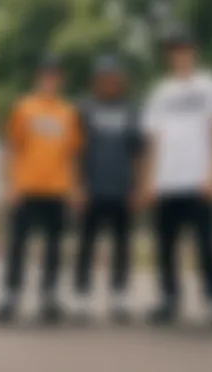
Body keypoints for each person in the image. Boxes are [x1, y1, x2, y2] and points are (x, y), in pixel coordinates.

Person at [142, 29, 212, 328]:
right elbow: (153, 139)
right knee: (165, 245)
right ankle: (169, 299)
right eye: (175, 50)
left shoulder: (209, 86)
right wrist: (149, 180)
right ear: (169, 56)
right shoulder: (160, 91)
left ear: (194, 52)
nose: (180, 55)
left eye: (185, 49)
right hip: (167, 181)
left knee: (206, 243)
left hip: (199, 179)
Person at [0, 55, 82, 324]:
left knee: (54, 246)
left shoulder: (68, 112)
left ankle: (49, 296)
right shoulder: (24, 108)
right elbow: (13, 148)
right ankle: (11, 295)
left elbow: (72, 154)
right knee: (18, 244)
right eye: (45, 75)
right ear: (38, 78)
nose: (49, 80)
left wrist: (75, 188)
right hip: (26, 188)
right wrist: (10, 185)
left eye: (54, 75)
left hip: (57, 189)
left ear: (60, 80)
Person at [73, 55, 144, 322]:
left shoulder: (130, 110)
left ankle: (119, 297)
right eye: (103, 78)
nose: (109, 83)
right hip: (91, 189)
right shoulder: (83, 109)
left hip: (122, 189)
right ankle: (81, 297)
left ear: (120, 81)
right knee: (86, 245)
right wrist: (77, 186)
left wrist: (136, 187)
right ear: (95, 81)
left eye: (113, 78)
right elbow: (75, 152)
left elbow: (138, 152)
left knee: (122, 245)